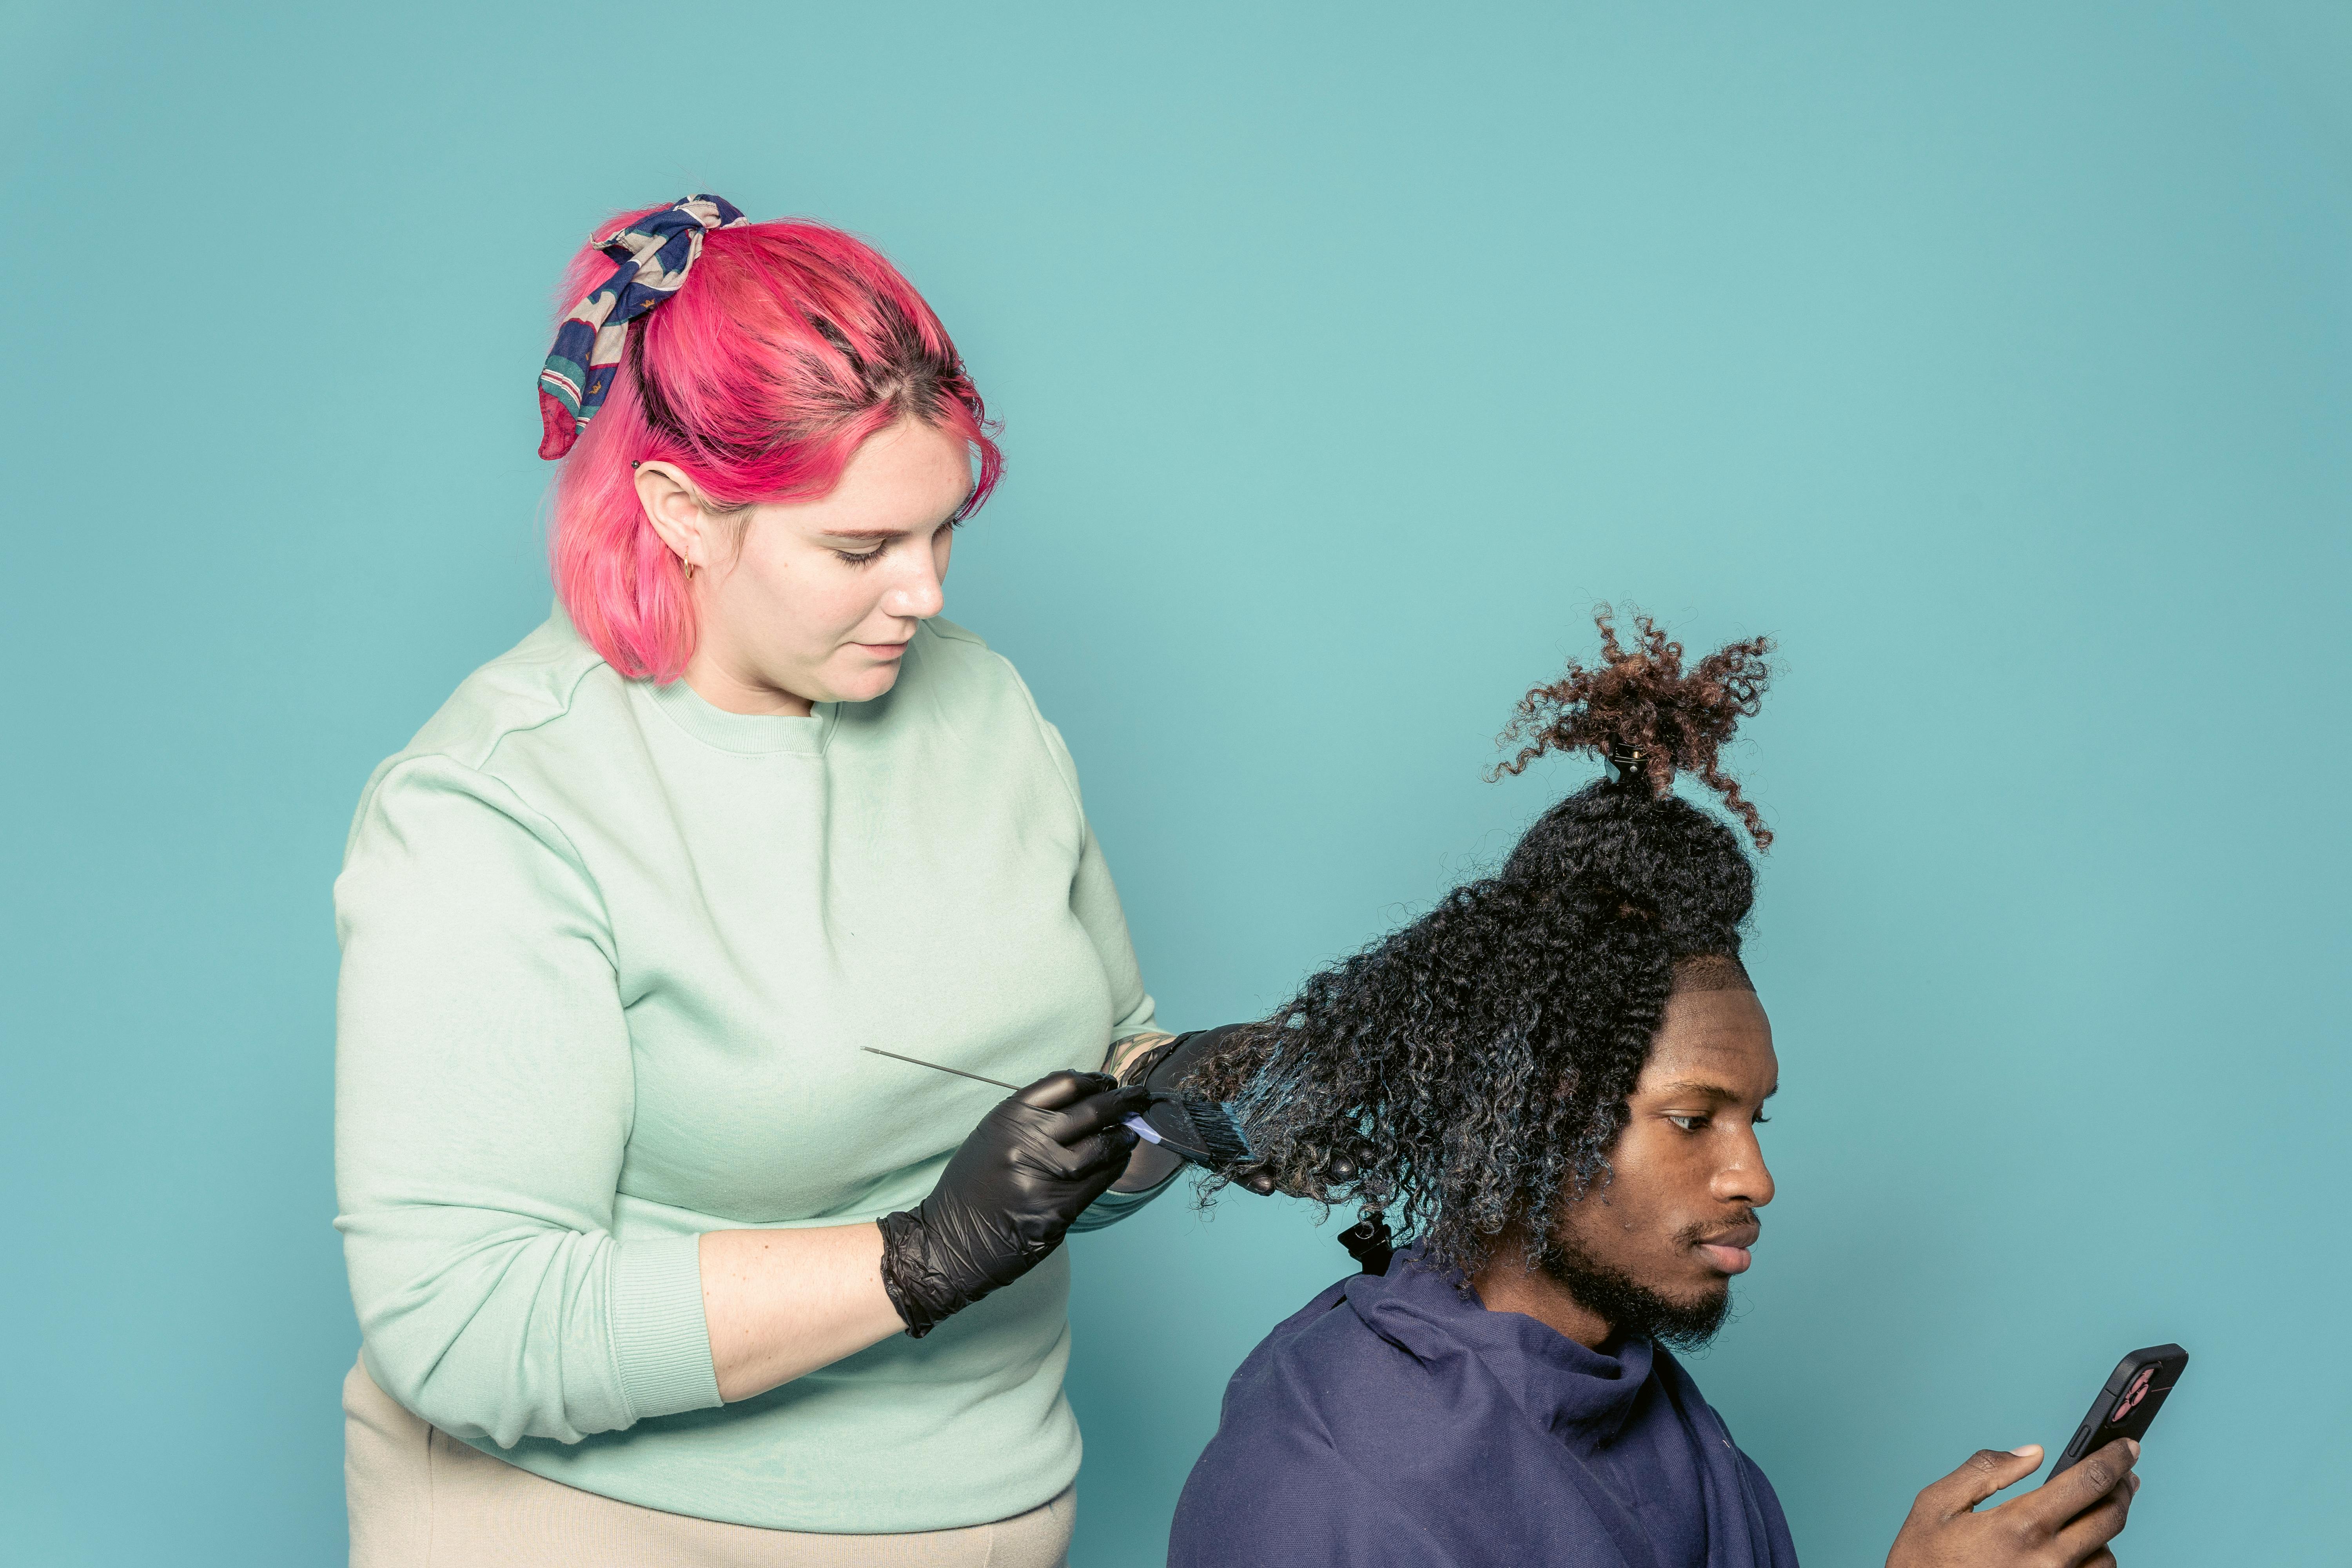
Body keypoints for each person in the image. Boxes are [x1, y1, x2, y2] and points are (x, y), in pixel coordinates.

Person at [334, 195, 1223, 1566]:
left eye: (944, 530)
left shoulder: (982, 705)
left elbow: (1088, 1079)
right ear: (682, 511)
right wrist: (913, 1255)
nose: (924, 595)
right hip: (606, 1530)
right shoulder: (500, 805)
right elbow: (469, 1322)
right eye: (860, 551)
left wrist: (1185, 1101)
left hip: (990, 1511)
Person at [1169, 611, 2142, 1568]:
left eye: (1755, 1118)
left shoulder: (1671, 1426)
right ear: (1542, 1112)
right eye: (1692, 1118)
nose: (1754, 1177)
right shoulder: (1324, 1481)